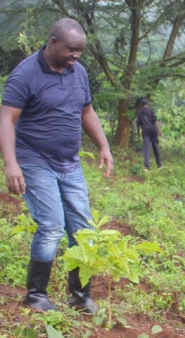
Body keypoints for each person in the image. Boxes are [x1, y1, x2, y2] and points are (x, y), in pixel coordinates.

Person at [0, 18, 113, 313]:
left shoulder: (79, 72)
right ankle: (36, 295)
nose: (76, 56)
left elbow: (86, 110)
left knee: (83, 229)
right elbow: (6, 120)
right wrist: (10, 164)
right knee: (51, 225)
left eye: (80, 51)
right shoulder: (25, 75)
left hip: (69, 163)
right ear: (53, 43)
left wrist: (103, 145)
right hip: (34, 159)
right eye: (71, 50)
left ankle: (80, 296)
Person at [136, 98, 163, 171]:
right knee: (156, 147)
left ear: (141, 105)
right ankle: (159, 165)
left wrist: (138, 132)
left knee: (147, 148)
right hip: (153, 130)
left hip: (145, 131)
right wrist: (159, 130)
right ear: (147, 104)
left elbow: (138, 124)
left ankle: (146, 167)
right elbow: (155, 120)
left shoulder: (139, 112)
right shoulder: (151, 110)